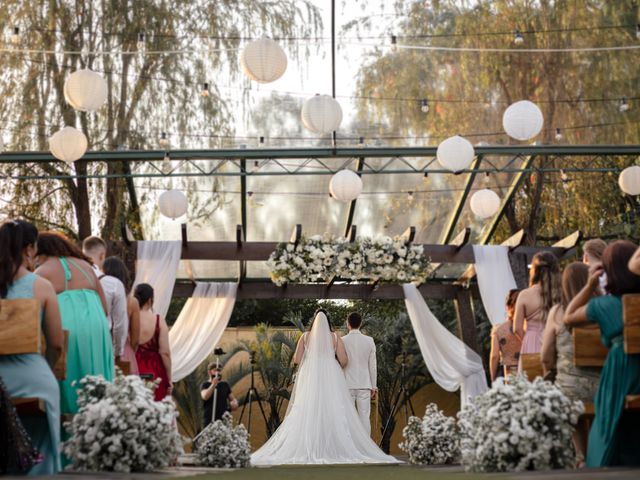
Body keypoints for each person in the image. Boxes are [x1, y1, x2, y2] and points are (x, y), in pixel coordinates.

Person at [250, 310, 399, 465]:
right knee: (333, 412)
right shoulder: (335, 337)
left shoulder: (305, 337)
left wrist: (310, 358)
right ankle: (344, 448)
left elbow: (296, 359)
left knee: (307, 410)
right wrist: (332, 361)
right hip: (331, 377)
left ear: (314, 321)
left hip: (310, 376)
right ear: (328, 322)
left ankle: (309, 447)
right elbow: (343, 360)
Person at [565, 240, 640, 467]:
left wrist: (589, 286)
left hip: (623, 376)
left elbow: (569, 316)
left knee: (606, 414)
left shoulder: (604, 305)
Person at [0, 220, 63, 474]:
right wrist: (44, 366)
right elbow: (57, 343)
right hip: (32, 381)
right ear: (28, 249)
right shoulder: (41, 286)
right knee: (41, 435)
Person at [35, 231, 114, 415]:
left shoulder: (42, 272)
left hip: (65, 328)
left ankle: (69, 431)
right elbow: (105, 308)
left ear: (43, 252)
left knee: (71, 382)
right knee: (97, 379)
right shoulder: (87, 267)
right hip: (97, 329)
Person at [541, 262, 600, 464]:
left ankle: (581, 456)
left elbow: (546, 357)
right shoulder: (602, 308)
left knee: (569, 391)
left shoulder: (557, 313)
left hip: (570, 391)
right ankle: (593, 455)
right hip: (604, 387)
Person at [82, 237, 129, 362]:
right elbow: (120, 324)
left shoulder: (68, 278)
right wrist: (118, 352)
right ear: (102, 255)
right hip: (102, 343)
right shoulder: (114, 284)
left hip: (73, 342)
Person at [514, 251, 561, 370]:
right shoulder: (561, 293)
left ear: (534, 271)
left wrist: (529, 339)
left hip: (531, 343)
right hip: (556, 343)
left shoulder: (524, 295)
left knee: (532, 386)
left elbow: (517, 328)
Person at [341, 312, 377, 436]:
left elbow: (340, 363)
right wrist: (374, 385)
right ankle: (366, 450)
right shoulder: (369, 340)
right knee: (364, 418)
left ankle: (349, 449)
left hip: (346, 385)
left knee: (347, 418)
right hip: (364, 384)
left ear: (348, 323)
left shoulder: (342, 341)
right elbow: (372, 366)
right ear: (360, 323)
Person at [102, 256, 140, 374]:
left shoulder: (97, 296)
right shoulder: (132, 302)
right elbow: (135, 339)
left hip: (102, 348)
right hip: (124, 351)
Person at [134, 283, 172, 400]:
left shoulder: (129, 318)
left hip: (134, 368)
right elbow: (164, 352)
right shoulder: (158, 320)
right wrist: (169, 378)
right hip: (155, 371)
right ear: (150, 300)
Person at [489, 289, 522, 382]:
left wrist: (492, 379)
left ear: (508, 306)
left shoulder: (498, 330)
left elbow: (494, 356)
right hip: (530, 368)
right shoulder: (529, 326)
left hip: (511, 373)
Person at [200, 362, 238, 428]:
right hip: (210, 420)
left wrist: (234, 403)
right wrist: (213, 385)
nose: (218, 373)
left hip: (224, 420)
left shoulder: (225, 385)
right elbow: (205, 396)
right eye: (215, 370)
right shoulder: (205, 385)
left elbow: (233, 399)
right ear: (209, 372)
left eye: (219, 371)